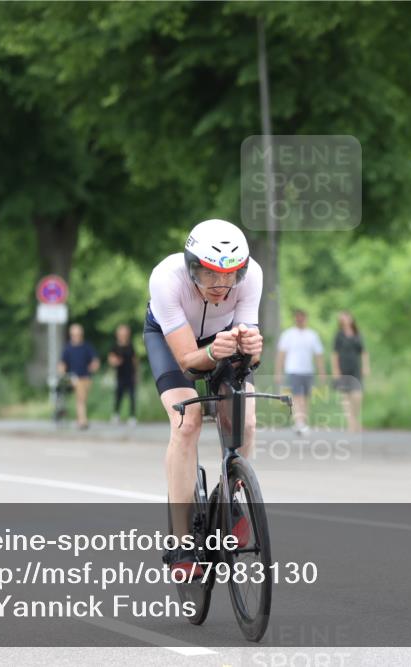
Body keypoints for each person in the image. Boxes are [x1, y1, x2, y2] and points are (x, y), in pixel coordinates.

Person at [143, 218, 263, 576]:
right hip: (172, 342)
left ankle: (232, 500)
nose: (220, 284)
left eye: (230, 275)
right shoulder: (166, 278)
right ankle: (181, 542)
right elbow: (187, 361)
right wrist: (212, 353)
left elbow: (249, 349)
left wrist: (252, 349)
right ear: (191, 266)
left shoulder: (252, 276)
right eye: (209, 273)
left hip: (221, 338)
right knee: (187, 422)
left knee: (245, 418)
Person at [275, 309, 325, 435]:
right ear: (295, 319)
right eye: (298, 317)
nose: (300, 320)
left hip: (308, 370)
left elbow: (318, 356)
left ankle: (302, 421)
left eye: (302, 318)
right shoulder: (288, 335)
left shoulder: (312, 335)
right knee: (297, 397)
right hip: (293, 370)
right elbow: (281, 355)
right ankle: (299, 422)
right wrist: (278, 372)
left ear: (306, 319)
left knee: (306, 398)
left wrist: (322, 373)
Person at [331, 310, 370, 433]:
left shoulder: (357, 334)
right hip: (343, 369)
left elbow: (363, 352)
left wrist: (366, 366)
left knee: (357, 396)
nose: (344, 320)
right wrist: (335, 370)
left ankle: (354, 420)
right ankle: (351, 424)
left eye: (346, 317)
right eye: (342, 318)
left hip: (355, 368)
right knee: (346, 397)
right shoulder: (339, 335)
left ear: (351, 319)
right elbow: (334, 354)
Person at [58, 323, 100, 430]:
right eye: (74, 335)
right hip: (74, 378)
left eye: (78, 334)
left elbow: (95, 360)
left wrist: (94, 366)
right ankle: (82, 421)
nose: (76, 337)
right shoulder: (68, 348)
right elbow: (62, 363)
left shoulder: (86, 347)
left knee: (82, 398)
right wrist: (63, 372)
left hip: (86, 377)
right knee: (81, 398)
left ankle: (79, 419)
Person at [107, 324, 139, 426]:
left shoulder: (130, 345)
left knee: (132, 396)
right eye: (121, 333)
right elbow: (110, 359)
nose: (123, 335)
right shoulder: (114, 346)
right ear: (118, 334)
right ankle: (116, 414)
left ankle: (132, 416)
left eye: (125, 333)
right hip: (120, 375)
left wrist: (137, 374)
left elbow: (135, 360)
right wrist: (115, 362)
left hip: (130, 375)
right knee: (118, 396)